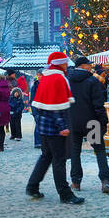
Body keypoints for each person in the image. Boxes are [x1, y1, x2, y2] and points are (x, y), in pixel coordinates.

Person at [25, 51, 84, 204]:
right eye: (65, 62)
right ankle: (65, 194)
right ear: (60, 63)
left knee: (46, 157)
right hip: (55, 127)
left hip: (44, 126)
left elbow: (44, 103)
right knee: (59, 160)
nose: (66, 65)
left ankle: (32, 186)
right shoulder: (58, 78)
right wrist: (62, 126)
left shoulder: (46, 77)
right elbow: (57, 105)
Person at [67, 56, 109, 194]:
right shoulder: (92, 81)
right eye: (88, 65)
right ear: (83, 66)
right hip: (91, 122)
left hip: (73, 121)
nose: (91, 67)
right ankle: (105, 181)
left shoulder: (68, 81)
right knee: (99, 151)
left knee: (75, 152)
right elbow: (98, 105)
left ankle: (76, 182)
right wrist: (103, 121)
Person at [6, 70, 24, 141]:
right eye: (13, 74)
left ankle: (18, 135)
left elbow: (21, 105)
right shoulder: (6, 80)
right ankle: (13, 134)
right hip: (11, 112)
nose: (14, 75)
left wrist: (18, 110)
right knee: (12, 124)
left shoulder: (19, 99)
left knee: (17, 124)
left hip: (17, 113)